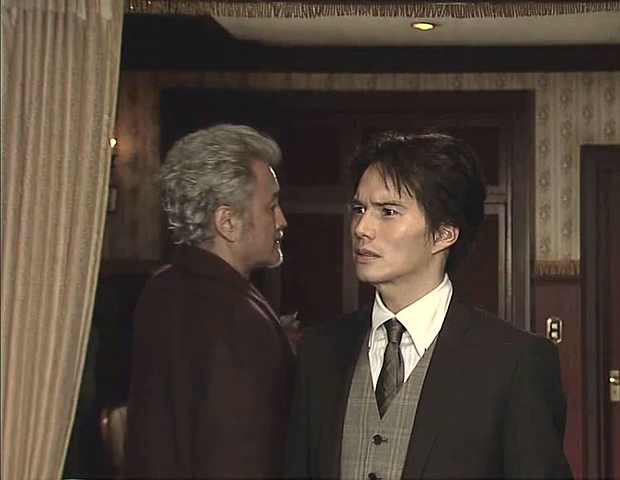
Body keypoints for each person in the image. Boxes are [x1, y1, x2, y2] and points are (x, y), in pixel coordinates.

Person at [284, 132, 573, 479]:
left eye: (388, 212)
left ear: (443, 234)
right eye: (359, 209)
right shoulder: (319, 351)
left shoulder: (514, 362)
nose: (362, 228)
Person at [123, 124, 294, 478]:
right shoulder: (238, 318)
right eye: (271, 206)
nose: (282, 220)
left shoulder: (162, 289)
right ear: (227, 222)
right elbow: (237, 459)